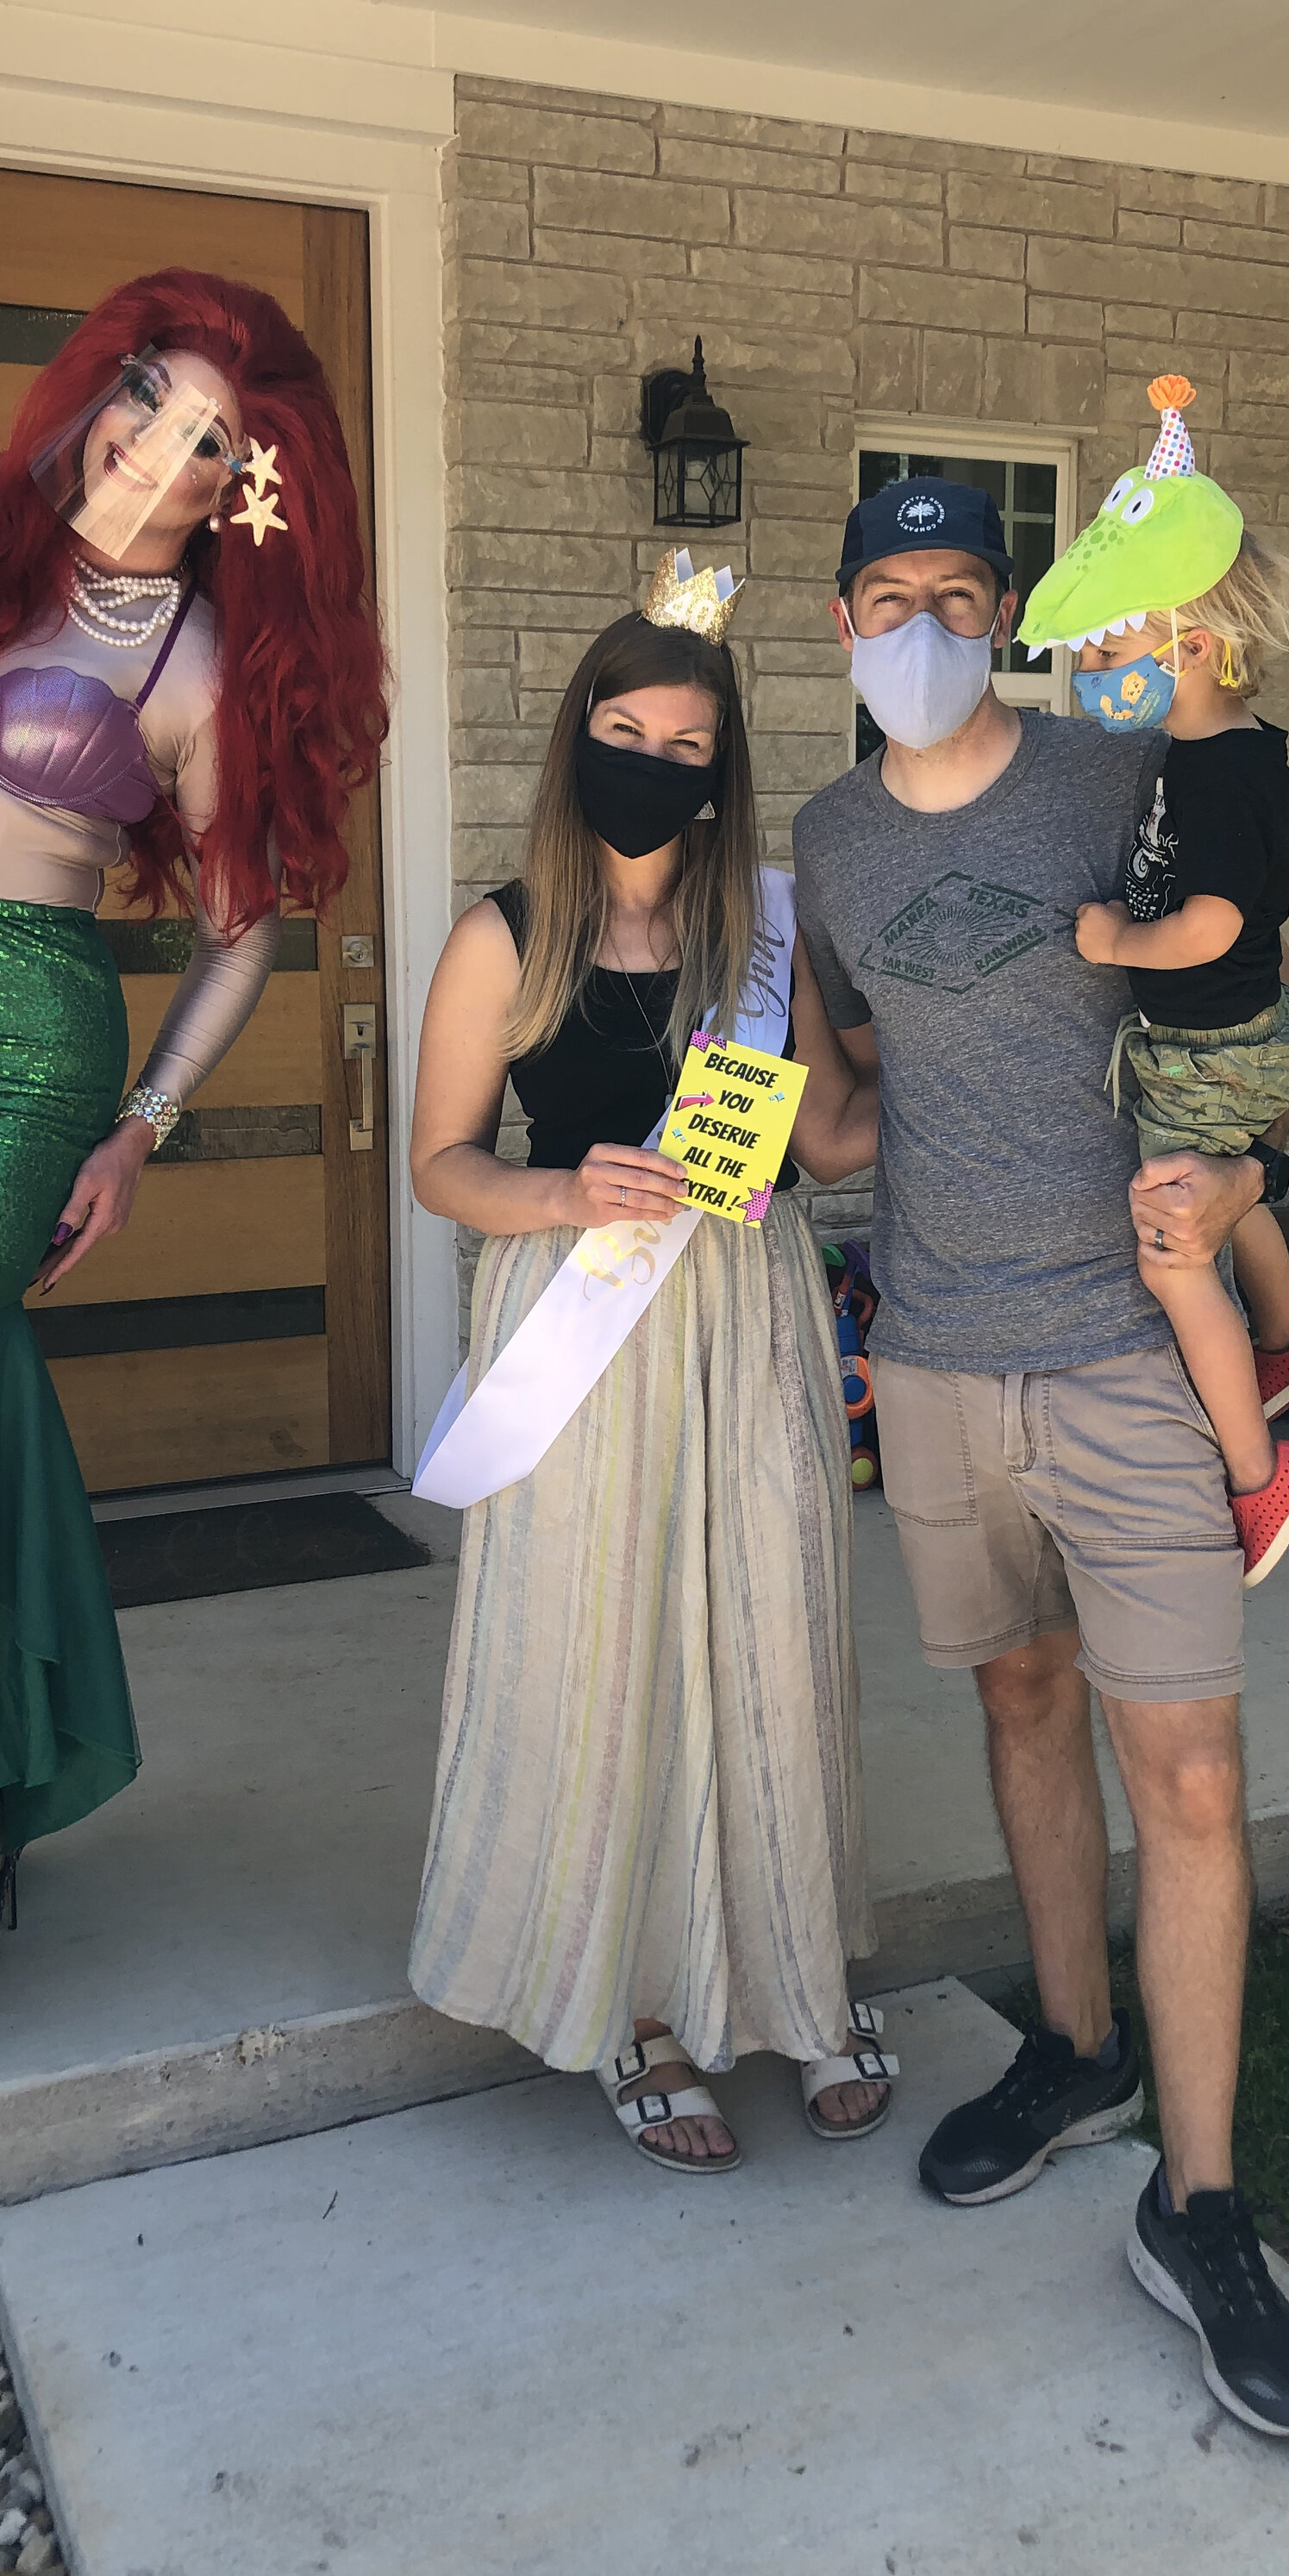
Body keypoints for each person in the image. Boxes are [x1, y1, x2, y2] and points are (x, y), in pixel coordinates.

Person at [792, 467, 1289, 2435]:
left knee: (1181, 1762)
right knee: (1019, 1706)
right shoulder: (829, 838)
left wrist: (1251, 1160)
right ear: (839, 621)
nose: (917, 623)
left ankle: (1200, 2204)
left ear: (1009, 609)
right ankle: (1072, 2047)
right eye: (883, 594)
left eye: (956, 590)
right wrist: (740, 1067)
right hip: (933, 1351)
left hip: (1124, 1349)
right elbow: (845, 1094)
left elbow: (1262, 979)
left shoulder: (1120, 784)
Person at [0, 270, 384, 1998]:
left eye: (211, 439)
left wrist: (141, 1124)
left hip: (8, 1063)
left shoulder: (196, 661)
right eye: (152, 391)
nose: (155, 441)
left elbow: (242, 922)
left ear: (240, 496)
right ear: (99, 382)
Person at [407, 555, 890, 2176]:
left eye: (689, 747)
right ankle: (634, 2004)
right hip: (579, 1319)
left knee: (770, 1637)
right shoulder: (505, 932)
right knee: (604, 1654)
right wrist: (562, 1188)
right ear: (577, 737)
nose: (654, 765)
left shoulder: (763, 927)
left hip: (747, 1316)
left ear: (721, 767)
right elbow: (440, 1164)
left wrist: (979, 1057)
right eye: (626, 729)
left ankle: (801, 1980)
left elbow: (825, 1134)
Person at [1044, 377, 1289, 1585]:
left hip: (1215, 1040)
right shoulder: (1220, 750)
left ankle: (1256, 1471)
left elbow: (1217, 920)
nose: (1100, 667)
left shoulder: (1215, 770)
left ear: (1198, 646)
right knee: (1238, 1194)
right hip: (1235, 1041)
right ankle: (1286, 1336)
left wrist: (1117, 939)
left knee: (1175, 1246)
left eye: (1118, 645)